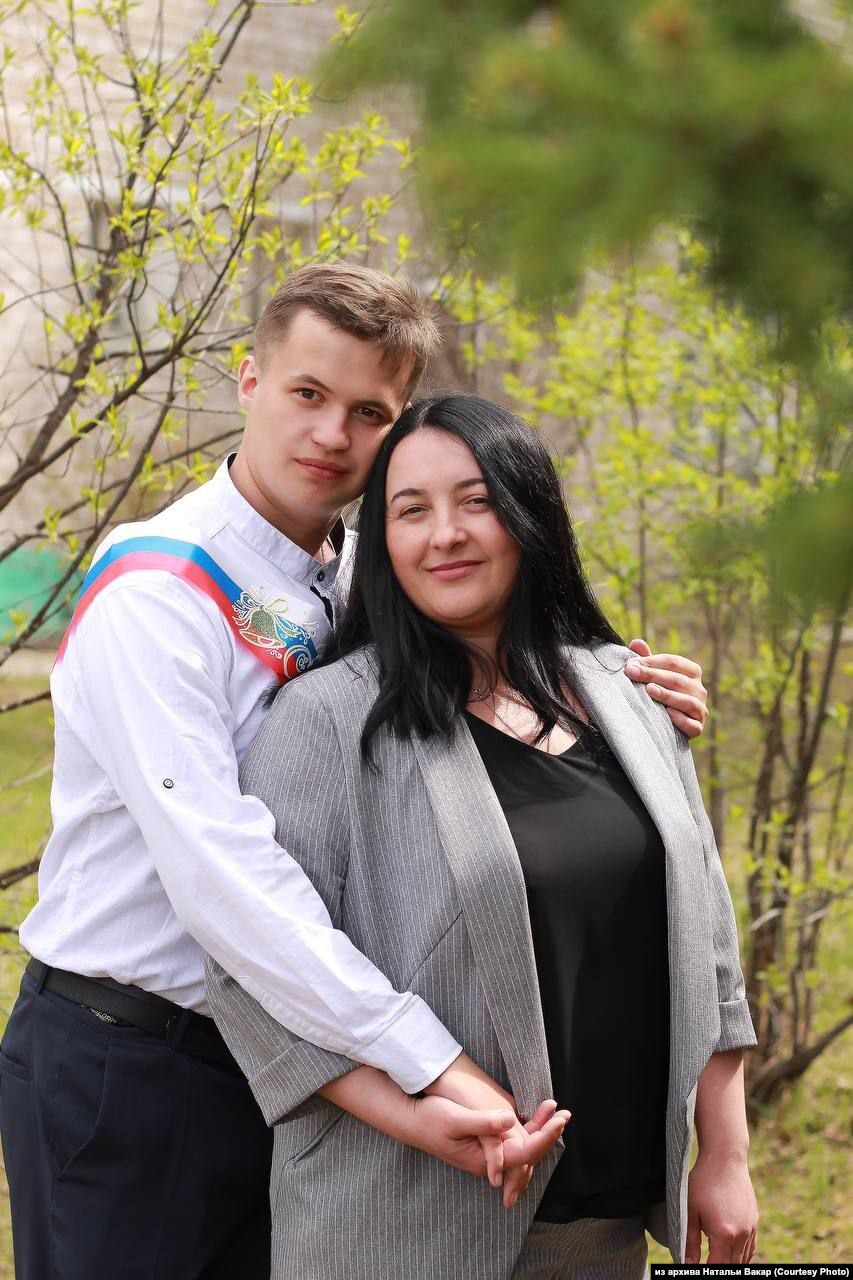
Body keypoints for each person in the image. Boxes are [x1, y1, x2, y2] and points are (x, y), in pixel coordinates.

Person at [0, 264, 710, 1280]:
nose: (331, 434)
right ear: (248, 380)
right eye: (307, 392)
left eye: (368, 412)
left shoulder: (356, 567)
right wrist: (424, 1059)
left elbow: (493, 637)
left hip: (303, 1069)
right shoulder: (158, 592)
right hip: (140, 1064)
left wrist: (623, 695)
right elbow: (225, 875)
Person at [207, 393, 759, 1280]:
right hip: (404, 1226)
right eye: (410, 510)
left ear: (529, 513)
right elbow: (252, 975)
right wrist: (418, 1115)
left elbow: (709, 945)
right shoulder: (329, 721)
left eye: (476, 501)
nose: (445, 535)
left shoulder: (628, 692)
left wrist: (724, 1158)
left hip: (607, 1230)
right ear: (381, 542)